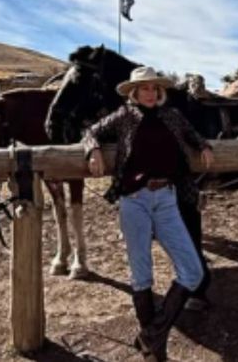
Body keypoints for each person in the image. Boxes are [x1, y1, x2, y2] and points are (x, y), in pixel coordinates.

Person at [83, 66, 214, 361]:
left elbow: (194, 135)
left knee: (193, 270)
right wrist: (92, 151)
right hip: (134, 200)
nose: (151, 93)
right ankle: (156, 350)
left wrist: (204, 146)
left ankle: (149, 336)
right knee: (142, 275)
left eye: (155, 88)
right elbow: (91, 131)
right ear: (134, 92)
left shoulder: (172, 115)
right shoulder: (125, 115)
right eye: (145, 88)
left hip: (167, 199)